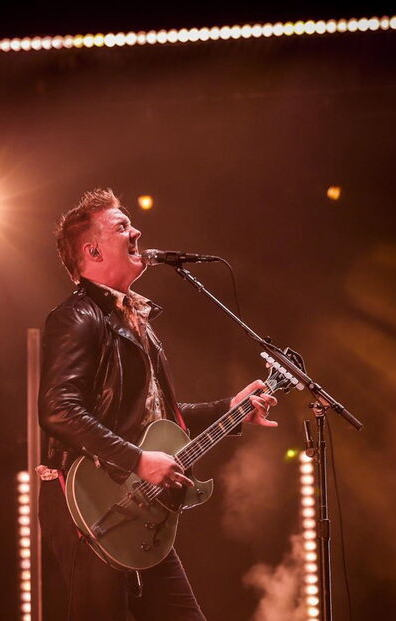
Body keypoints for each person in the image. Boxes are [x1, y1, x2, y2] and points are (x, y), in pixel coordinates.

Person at [38, 188, 277, 620]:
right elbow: (59, 409)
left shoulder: (132, 320)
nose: (137, 232)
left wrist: (230, 408)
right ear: (93, 251)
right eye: (122, 227)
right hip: (88, 507)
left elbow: (152, 418)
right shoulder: (77, 317)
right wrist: (138, 461)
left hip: (134, 506)